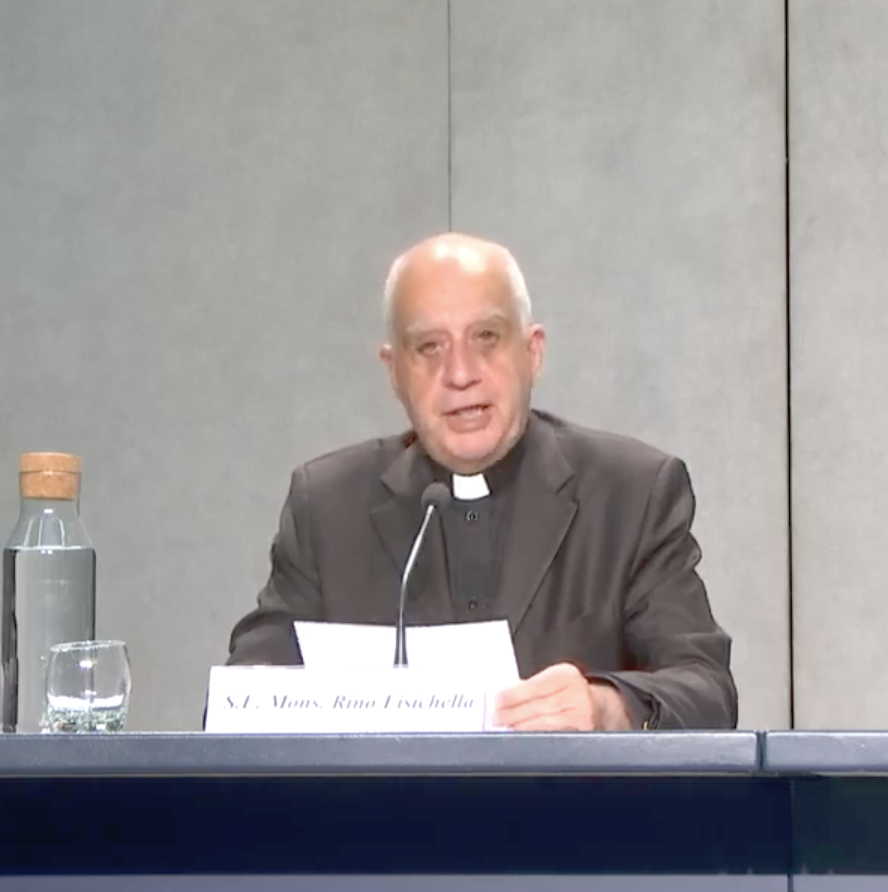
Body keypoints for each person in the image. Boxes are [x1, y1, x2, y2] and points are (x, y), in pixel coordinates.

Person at [225, 233, 736, 730]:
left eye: (486, 338)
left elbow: (707, 691)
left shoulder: (631, 494)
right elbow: (240, 699)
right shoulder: (328, 509)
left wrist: (607, 707)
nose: (460, 373)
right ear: (393, 371)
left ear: (533, 352)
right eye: (429, 347)